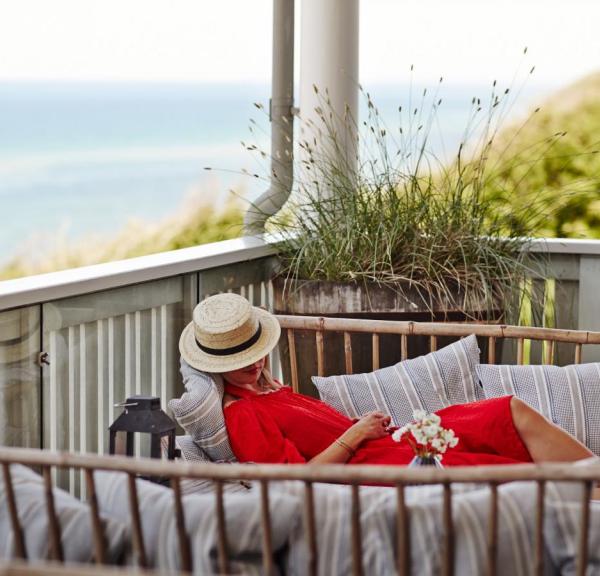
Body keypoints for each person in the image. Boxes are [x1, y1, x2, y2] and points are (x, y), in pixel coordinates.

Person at [179, 293, 594, 467]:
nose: (254, 363)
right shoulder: (242, 414)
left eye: (254, 352)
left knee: (506, 410)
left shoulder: (267, 388)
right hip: (383, 465)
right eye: (240, 360)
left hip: (396, 442)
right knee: (506, 465)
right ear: (214, 364)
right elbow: (297, 480)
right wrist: (357, 433)